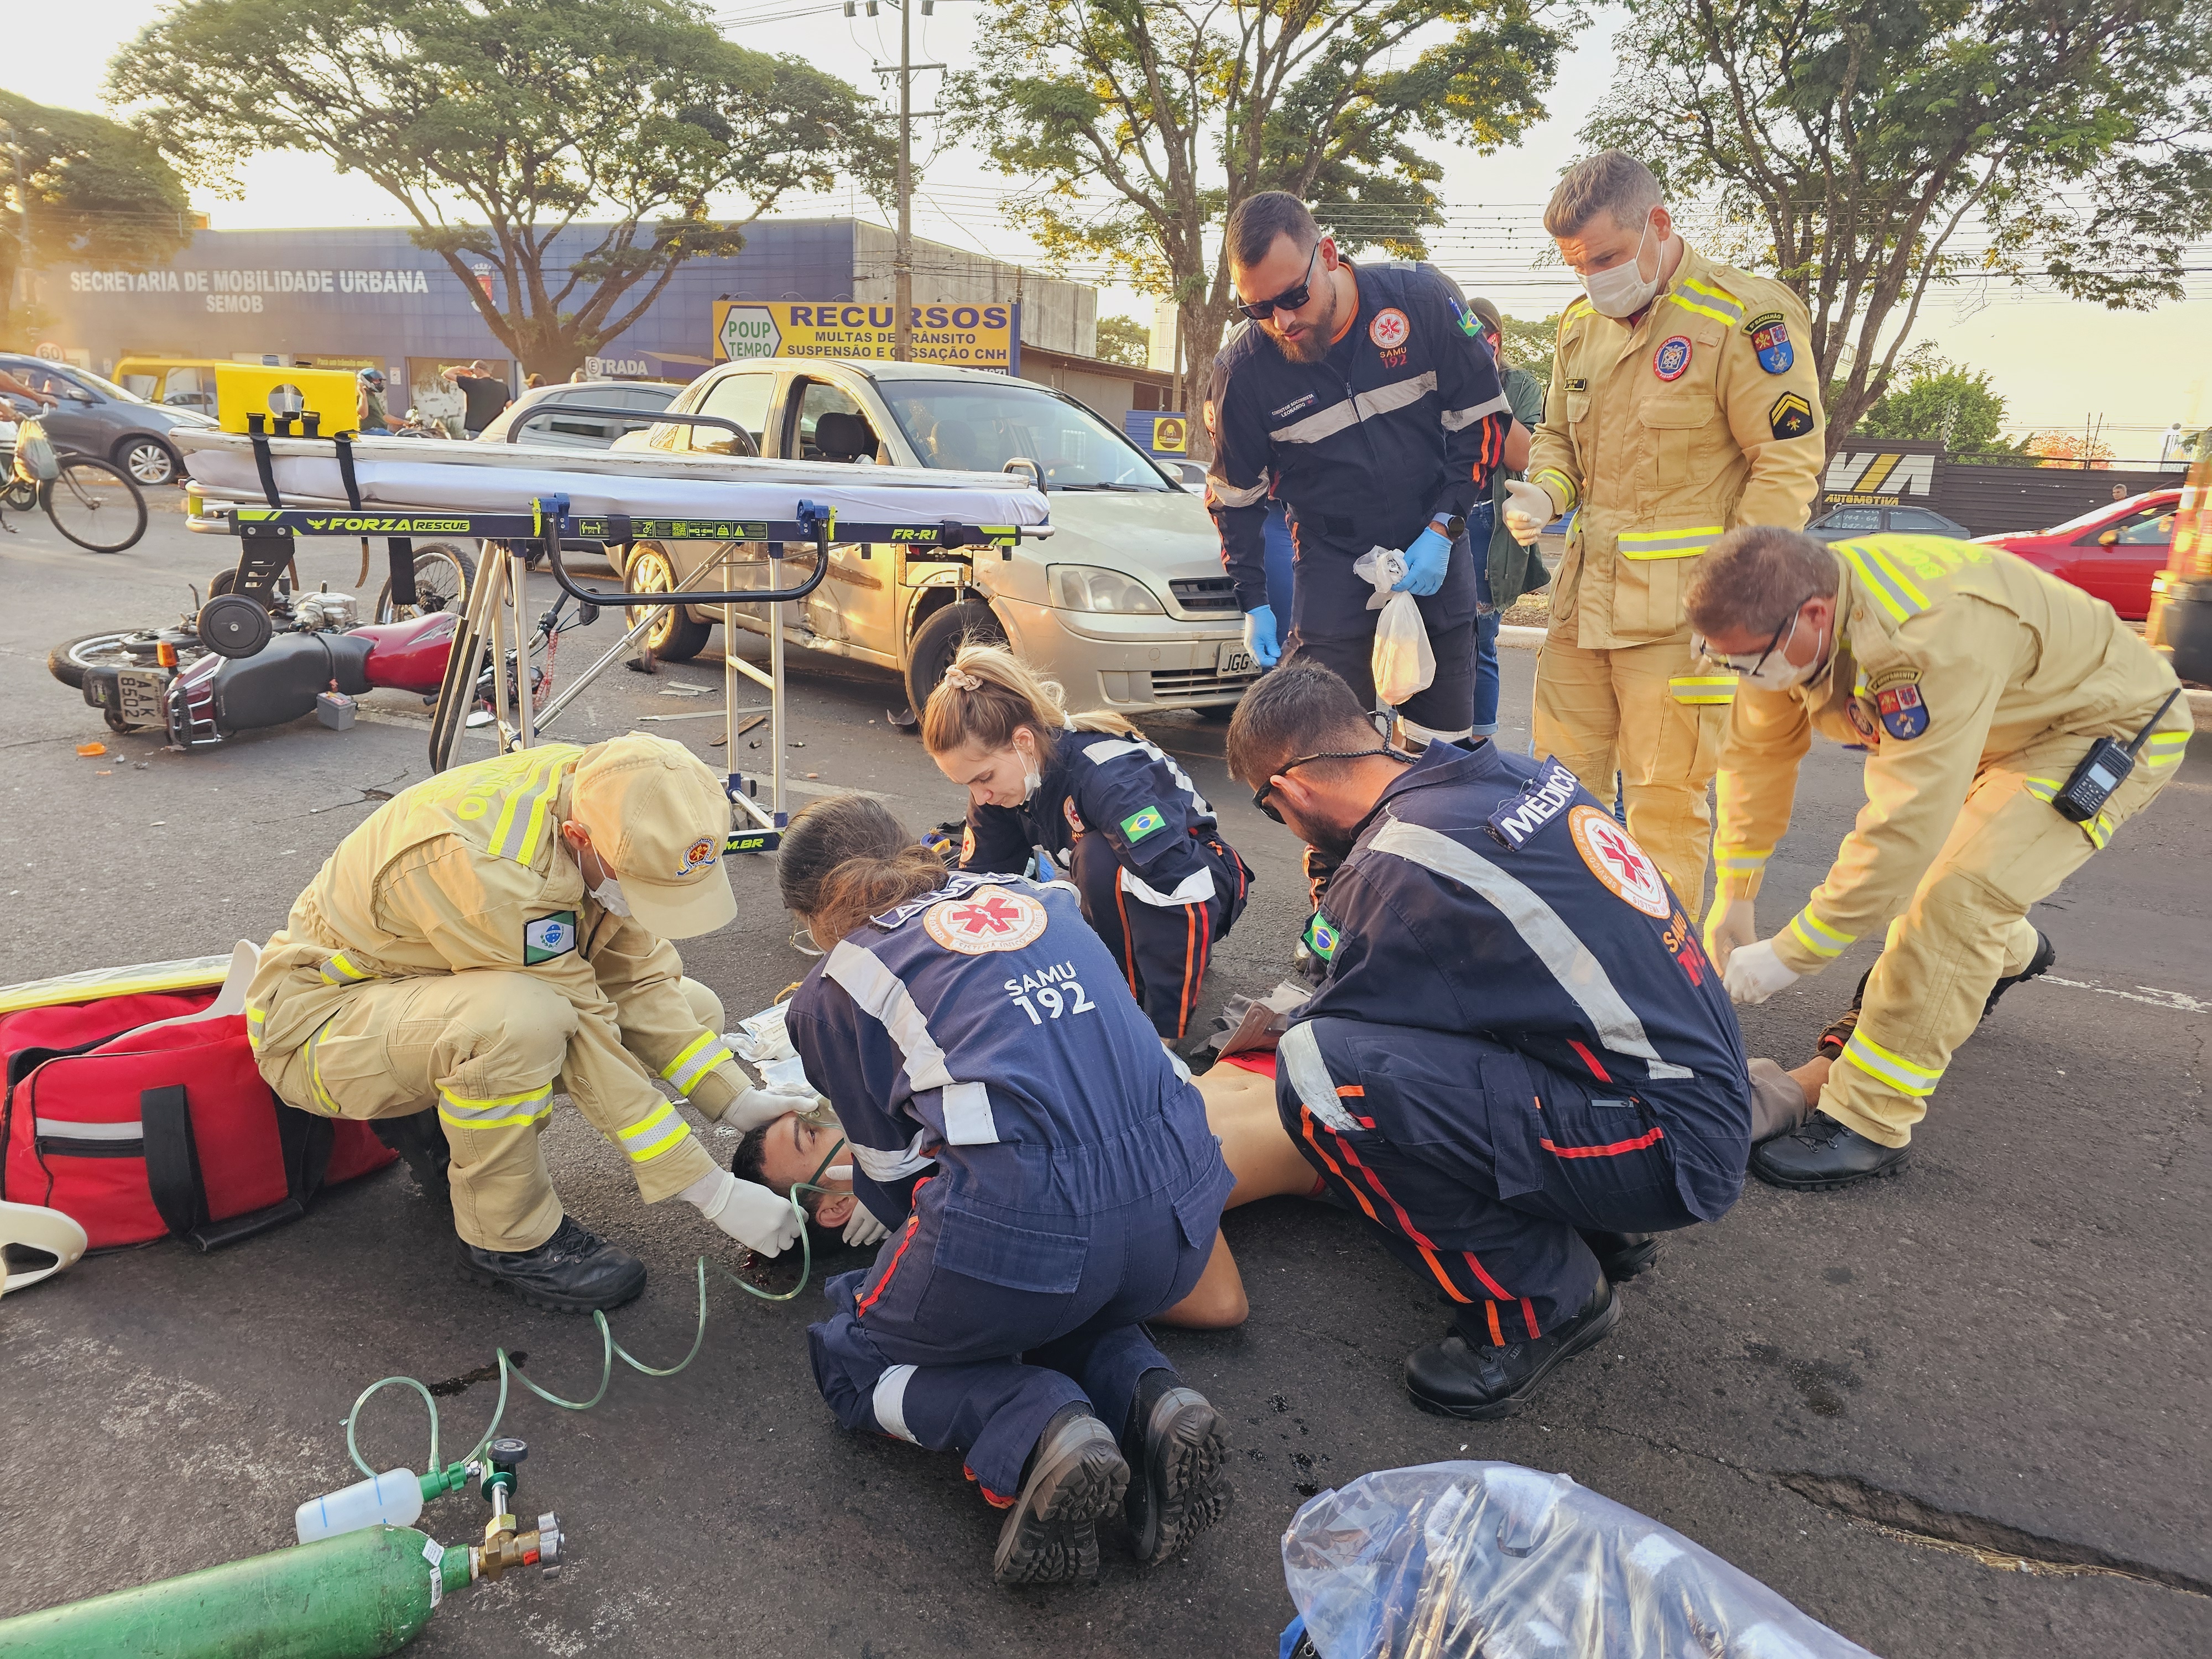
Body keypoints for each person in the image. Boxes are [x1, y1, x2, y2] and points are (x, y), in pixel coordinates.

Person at [1223, 663, 1814, 1418]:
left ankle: (1542, 1304)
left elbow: (1339, 1016)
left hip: (1667, 1147)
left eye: (1272, 812)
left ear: (1294, 790)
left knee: (1317, 1074)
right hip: (1691, 1086)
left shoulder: (1396, 867)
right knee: (1459, 1019)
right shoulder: (1501, 773)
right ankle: (1602, 1223)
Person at [774, 794, 1237, 1586]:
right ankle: (1150, 1398)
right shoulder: (1037, 896)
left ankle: (1030, 1425)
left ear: (814, 914)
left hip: (1031, 1230)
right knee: (1053, 1295)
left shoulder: (837, 984)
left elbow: (894, 1191)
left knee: (851, 1352)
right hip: (1180, 1216)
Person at [1692, 526, 2192, 1188]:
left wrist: (1795, 952)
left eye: (1751, 662)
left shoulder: (1921, 637)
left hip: (2099, 728)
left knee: (1957, 895)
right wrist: (1737, 891)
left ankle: (1868, 1120)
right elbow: (1757, 757)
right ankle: (2007, 950)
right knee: (1956, 899)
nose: (1748, 678)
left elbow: (1902, 828)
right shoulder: (1780, 621)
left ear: (1814, 614)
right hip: (1998, 718)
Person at [242, 734, 804, 1312]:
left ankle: (434, 1123)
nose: (640, 903)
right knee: (521, 1023)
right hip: (320, 1026)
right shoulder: (488, 864)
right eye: (639, 887)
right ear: (579, 840)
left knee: (695, 1007)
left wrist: (735, 1100)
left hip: (422, 1001)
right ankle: (508, 1240)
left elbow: (635, 982)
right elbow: (582, 1031)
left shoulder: (607, 797)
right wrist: (710, 1190)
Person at [1504, 150, 1827, 919]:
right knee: (1558, 797)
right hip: (1583, 610)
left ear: (1658, 226)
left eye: (1609, 258)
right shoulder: (1582, 326)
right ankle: (1571, 963)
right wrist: (1546, 494)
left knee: (1664, 812)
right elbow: (1555, 437)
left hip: (1683, 621)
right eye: (1579, 266)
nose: (1596, 279)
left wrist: (1742, 608)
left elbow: (1785, 467)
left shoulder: (1744, 318)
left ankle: (1663, 993)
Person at [1208, 191, 1514, 746]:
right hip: (1331, 561)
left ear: (1327, 254)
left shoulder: (1418, 301)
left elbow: (1481, 424)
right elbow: (1235, 499)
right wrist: (1252, 600)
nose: (1281, 321)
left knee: (1441, 755)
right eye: (1258, 309)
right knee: (1331, 755)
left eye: (1294, 297)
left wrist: (1445, 528)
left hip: (1433, 540)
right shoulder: (1245, 372)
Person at [926, 643, 1253, 1044]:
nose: (980, 797)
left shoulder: (1108, 779)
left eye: (984, 778)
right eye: (968, 785)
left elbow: (1186, 891)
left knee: (1098, 859)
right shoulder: (1006, 783)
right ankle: (1122, 974)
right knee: (1036, 894)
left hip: (1205, 882)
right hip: (1136, 887)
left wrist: (1164, 1031)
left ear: (1024, 742)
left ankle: (1133, 995)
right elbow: (981, 891)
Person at [1463, 297, 1546, 740]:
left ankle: (1480, 748)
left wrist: (1487, 388)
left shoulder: (1518, 385)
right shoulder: (1435, 380)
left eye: (1486, 334)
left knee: (1481, 644)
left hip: (1488, 527)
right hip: (1438, 523)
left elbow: (1519, 453)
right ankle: (1421, 745)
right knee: (1429, 636)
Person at [443, 361, 512, 436]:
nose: (472, 374)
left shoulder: (472, 383)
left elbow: (447, 374)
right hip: (495, 433)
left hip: (476, 432)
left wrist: (460, 368)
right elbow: (510, 408)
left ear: (478, 370)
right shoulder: (502, 387)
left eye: (472, 371)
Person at [356, 368, 392, 435]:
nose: (379, 383)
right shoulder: (362, 396)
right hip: (370, 432)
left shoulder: (373, 397)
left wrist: (404, 422)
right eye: (376, 381)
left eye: (379, 381)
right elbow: (363, 415)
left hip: (379, 431)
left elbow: (384, 417)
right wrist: (363, 395)